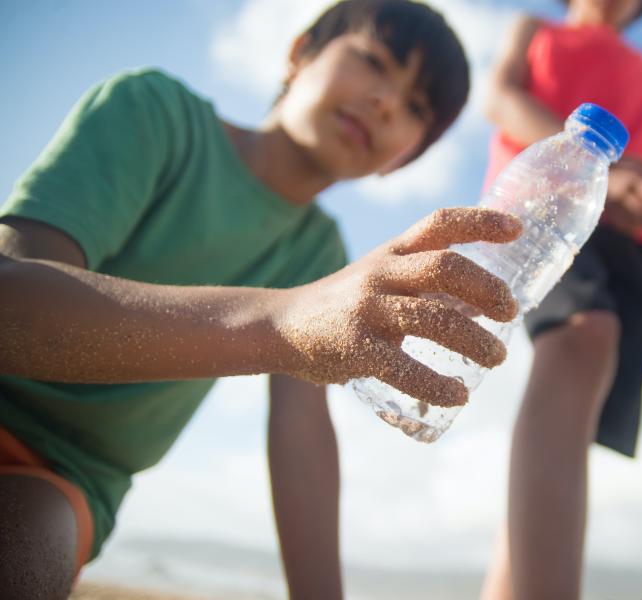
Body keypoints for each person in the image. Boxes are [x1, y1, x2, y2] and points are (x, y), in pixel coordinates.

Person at [0, 1, 523, 598]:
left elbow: (300, 430)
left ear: (403, 157)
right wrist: (281, 320)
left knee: (26, 548)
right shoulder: (155, 114)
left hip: (66, 478)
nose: (384, 102)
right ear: (300, 53)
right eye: (374, 61)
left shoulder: (320, 255)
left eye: (414, 108)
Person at [479, 1, 642, 598]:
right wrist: (601, 172)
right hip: (546, 208)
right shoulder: (533, 30)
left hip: (632, 241)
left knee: (574, 419)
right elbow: (500, 99)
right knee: (585, 336)